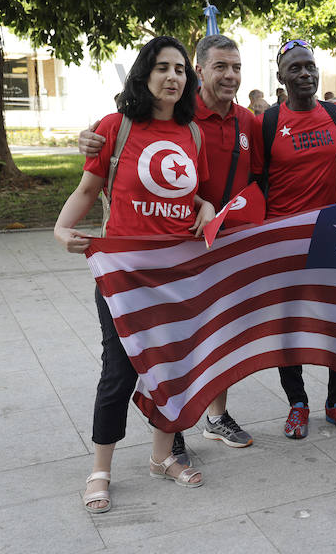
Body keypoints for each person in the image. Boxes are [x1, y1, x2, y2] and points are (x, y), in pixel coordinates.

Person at [78, 34, 258, 456]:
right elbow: (117, 150)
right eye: (220, 66)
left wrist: (215, 209)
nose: (230, 75)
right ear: (201, 70)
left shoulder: (247, 121)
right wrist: (86, 139)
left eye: (236, 67)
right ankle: (163, 440)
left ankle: (211, 418)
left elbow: (259, 178)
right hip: (155, 256)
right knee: (139, 360)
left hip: (216, 247)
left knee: (208, 343)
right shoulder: (170, 113)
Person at [55, 36, 214, 513]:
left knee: (174, 366)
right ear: (144, 74)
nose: (173, 76)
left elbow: (196, 195)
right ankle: (100, 469)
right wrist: (62, 229)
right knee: (120, 371)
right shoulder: (117, 127)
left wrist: (206, 206)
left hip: (178, 273)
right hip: (122, 277)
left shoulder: (193, 134)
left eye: (181, 69)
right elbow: (88, 189)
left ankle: (162, 458)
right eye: (163, 67)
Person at [251, 39, 336, 439]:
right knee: (289, 325)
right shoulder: (267, 122)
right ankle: (297, 404)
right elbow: (252, 181)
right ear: (280, 77)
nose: (305, 74)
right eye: (295, 69)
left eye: (310, 67)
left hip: (330, 237)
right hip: (282, 240)